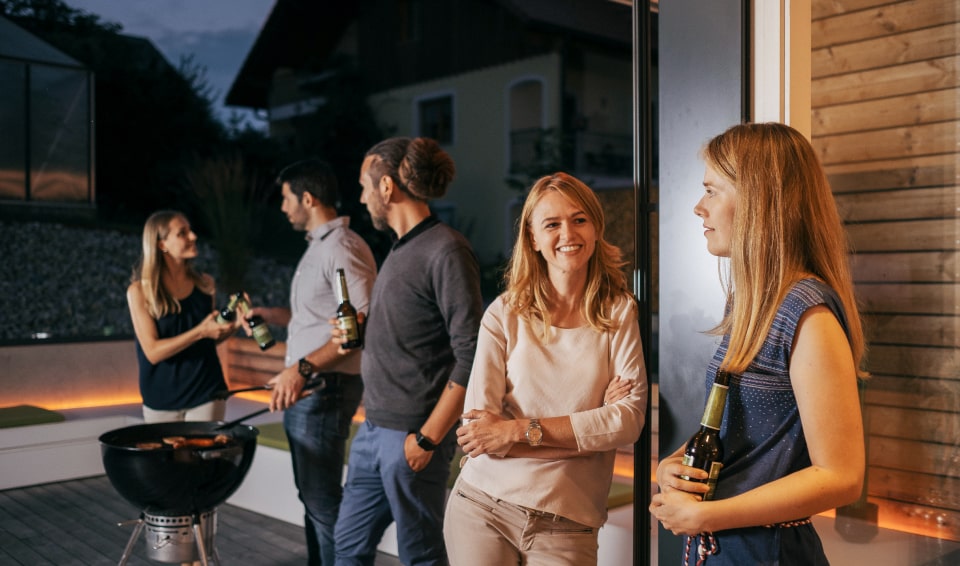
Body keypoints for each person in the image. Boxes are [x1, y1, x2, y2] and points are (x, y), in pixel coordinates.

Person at [649, 122, 867, 565]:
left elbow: (841, 476)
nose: (698, 207)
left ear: (757, 201)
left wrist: (705, 517)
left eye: (711, 191)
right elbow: (742, 433)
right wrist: (672, 463)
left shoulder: (808, 315)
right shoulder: (751, 303)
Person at [442, 172, 648, 565]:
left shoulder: (618, 311)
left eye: (579, 219)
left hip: (567, 520)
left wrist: (515, 431)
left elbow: (626, 422)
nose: (567, 233)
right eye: (551, 224)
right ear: (533, 239)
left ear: (595, 226)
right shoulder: (505, 313)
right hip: (483, 505)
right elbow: (478, 434)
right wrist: (587, 431)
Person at [331, 137, 483, 566]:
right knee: (347, 546)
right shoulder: (400, 250)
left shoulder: (447, 249)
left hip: (411, 435)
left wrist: (428, 438)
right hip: (374, 429)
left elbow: (472, 355)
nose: (362, 197)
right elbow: (411, 331)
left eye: (365, 185)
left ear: (387, 186)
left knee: (420, 555)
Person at [242, 158, 377, 566]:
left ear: (307, 198)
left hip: (324, 388)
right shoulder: (320, 247)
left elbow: (363, 324)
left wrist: (301, 369)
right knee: (314, 498)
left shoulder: (341, 247)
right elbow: (319, 318)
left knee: (322, 501)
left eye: (286, 199)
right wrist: (270, 315)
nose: (283, 208)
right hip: (313, 387)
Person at [127, 210, 236, 423]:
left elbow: (208, 340)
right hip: (161, 398)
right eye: (182, 233)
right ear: (162, 245)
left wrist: (236, 325)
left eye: (191, 231)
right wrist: (201, 330)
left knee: (204, 457)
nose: (193, 236)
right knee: (167, 457)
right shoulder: (139, 291)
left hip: (206, 391)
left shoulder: (205, 284)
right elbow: (153, 352)